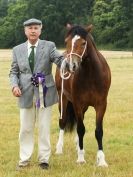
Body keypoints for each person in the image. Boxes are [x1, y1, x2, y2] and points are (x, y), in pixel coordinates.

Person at [9, 18, 64, 170]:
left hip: (45, 93)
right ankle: (24, 159)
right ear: (25, 31)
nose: (33, 30)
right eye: (30, 28)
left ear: (40, 30)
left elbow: (59, 59)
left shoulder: (49, 46)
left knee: (44, 127)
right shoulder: (17, 49)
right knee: (25, 128)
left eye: (35, 28)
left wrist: (67, 61)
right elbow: (13, 72)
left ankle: (44, 160)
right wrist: (14, 86)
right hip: (25, 94)